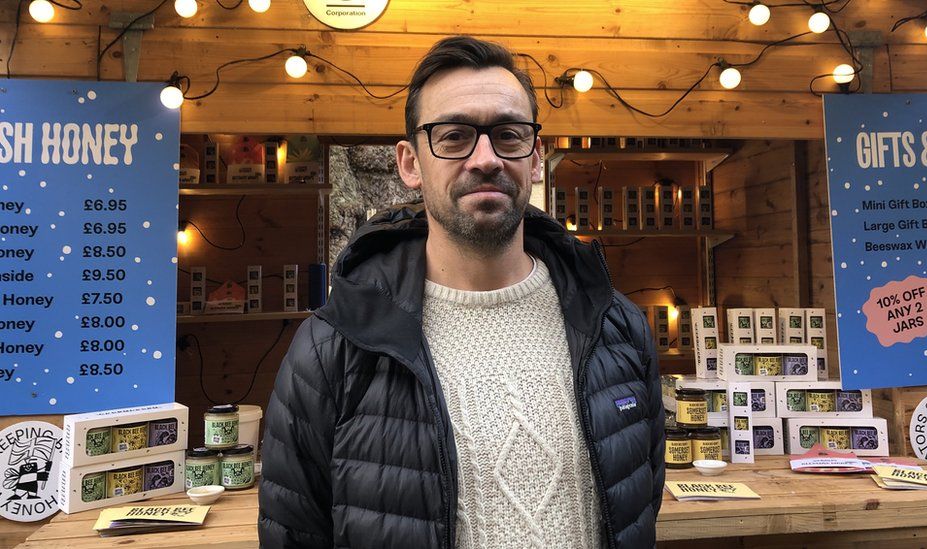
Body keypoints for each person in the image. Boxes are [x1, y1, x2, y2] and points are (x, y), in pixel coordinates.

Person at [259, 35, 665, 549]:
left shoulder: (618, 328)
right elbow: (294, 535)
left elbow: (639, 506)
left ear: (535, 158)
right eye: (454, 137)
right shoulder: (332, 349)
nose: (485, 158)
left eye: (508, 135)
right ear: (409, 164)